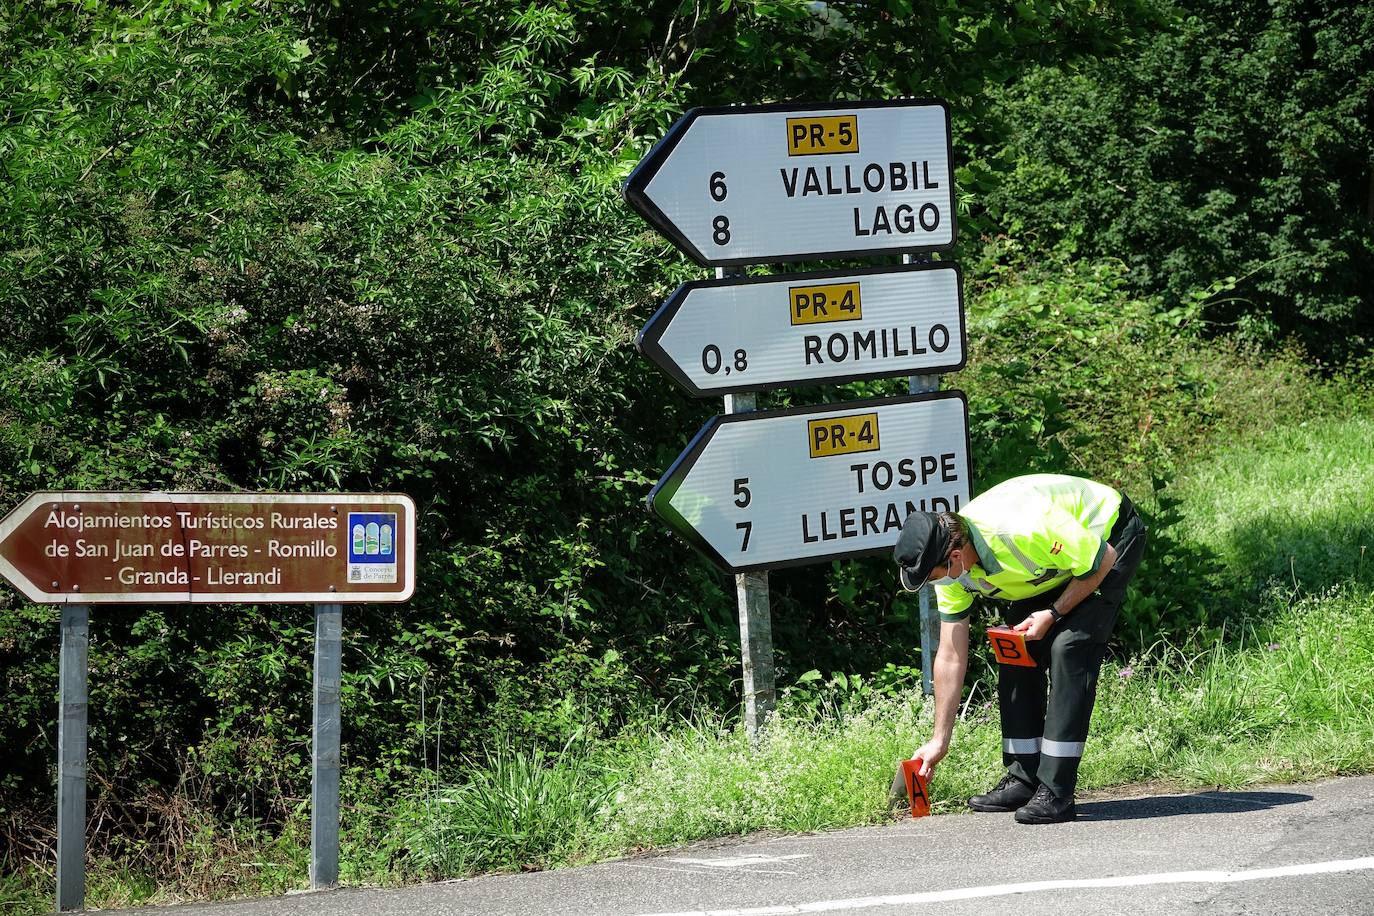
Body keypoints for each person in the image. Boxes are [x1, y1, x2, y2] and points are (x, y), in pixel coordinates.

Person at [893, 473, 1147, 824]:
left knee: (1068, 648)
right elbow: (950, 654)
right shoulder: (954, 572)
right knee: (1013, 648)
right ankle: (1023, 777)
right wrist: (940, 741)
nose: (935, 583)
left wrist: (1054, 612)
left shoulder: (1022, 529)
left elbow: (1101, 557)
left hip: (1108, 538)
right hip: (1058, 564)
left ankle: (1056, 791)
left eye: (934, 575)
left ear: (954, 557)